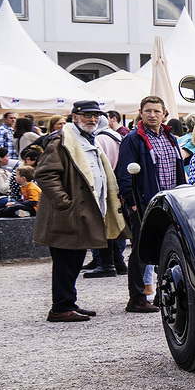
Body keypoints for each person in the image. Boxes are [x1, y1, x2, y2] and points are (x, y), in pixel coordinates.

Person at [32, 100, 124, 323]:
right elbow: (44, 174)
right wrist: (64, 202)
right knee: (65, 263)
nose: (92, 120)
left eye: (95, 116)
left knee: (74, 261)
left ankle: (68, 303)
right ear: (75, 117)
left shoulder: (85, 139)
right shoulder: (61, 140)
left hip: (81, 214)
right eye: (87, 116)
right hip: (66, 215)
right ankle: (60, 307)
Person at [116, 95, 186, 314]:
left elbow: (178, 169)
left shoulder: (170, 138)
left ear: (164, 114)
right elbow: (124, 174)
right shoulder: (133, 139)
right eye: (148, 111)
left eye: (157, 111)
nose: (152, 115)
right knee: (140, 250)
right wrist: (135, 204)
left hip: (170, 202)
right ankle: (136, 298)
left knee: (166, 248)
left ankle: (162, 294)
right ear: (141, 112)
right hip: (145, 203)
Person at [83, 115, 128, 276]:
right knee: (113, 224)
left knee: (102, 225)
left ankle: (106, 264)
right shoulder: (116, 135)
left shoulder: (98, 139)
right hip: (116, 181)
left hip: (104, 184)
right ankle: (119, 263)